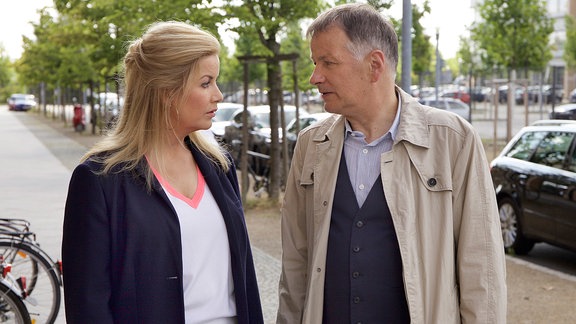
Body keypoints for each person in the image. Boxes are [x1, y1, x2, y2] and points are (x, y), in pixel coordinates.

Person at [277, 3, 507, 323]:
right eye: (316, 63)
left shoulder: (453, 140)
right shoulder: (310, 144)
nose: (315, 77)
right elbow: (295, 267)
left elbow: (482, 270)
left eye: (328, 62)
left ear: (374, 65)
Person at [62, 21, 263, 324]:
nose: (218, 95)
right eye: (206, 82)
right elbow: (88, 304)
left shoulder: (220, 166)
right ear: (167, 91)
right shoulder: (99, 180)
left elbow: (245, 279)